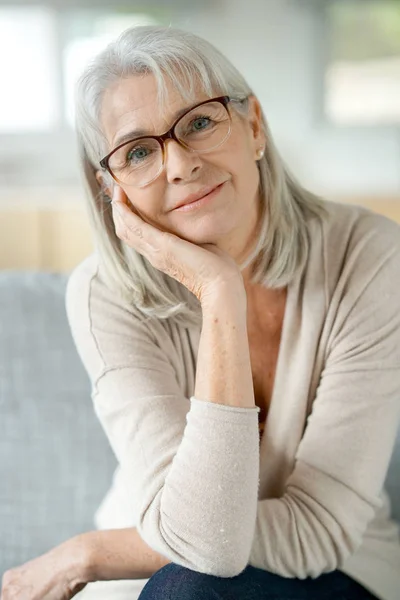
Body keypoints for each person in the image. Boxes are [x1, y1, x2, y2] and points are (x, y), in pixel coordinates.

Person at [2, 24, 399, 600]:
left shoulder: (369, 257)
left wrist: (89, 552)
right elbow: (200, 548)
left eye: (199, 122)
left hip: (337, 571)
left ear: (254, 126)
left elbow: (318, 530)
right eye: (138, 151)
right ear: (111, 189)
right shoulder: (104, 293)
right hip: (162, 573)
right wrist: (219, 293)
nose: (180, 164)